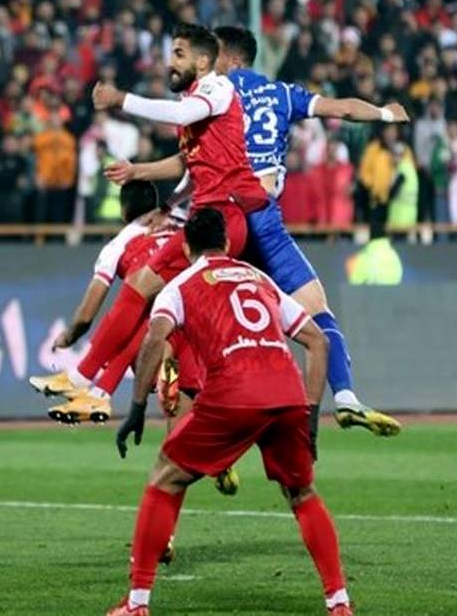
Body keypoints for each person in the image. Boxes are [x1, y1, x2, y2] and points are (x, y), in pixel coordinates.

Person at [106, 209, 351, 616]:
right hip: (287, 391)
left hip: (235, 390)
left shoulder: (180, 285)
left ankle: (136, 603)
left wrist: (136, 407)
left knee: (165, 477)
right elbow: (318, 342)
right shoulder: (259, 278)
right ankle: (339, 602)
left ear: (186, 247)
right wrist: (310, 416)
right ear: (226, 242)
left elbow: (154, 339)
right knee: (301, 493)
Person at [181, 25, 401, 434]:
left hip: (225, 220)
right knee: (317, 310)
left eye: (213, 53)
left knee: (191, 313)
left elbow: (187, 160)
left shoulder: (212, 94)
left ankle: (201, 419)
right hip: (265, 217)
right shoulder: (282, 94)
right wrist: (386, 113)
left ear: (230, 59)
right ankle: (345, 397)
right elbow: (343, 110)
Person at [88, 23, 269, 395]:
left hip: (223, 218)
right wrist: (168, 203)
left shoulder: (217, 89)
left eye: (179, 54)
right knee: (160, 305)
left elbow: (180, 116)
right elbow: (193, 166)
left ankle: (97, 387)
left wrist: (122, 99)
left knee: (155, 300)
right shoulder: (196, 103)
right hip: (205, 215)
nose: (170, 63)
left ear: (203, 61)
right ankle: (100, 387)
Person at [28, 181, 178, 424]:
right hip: (200, 299)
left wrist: (69, 336)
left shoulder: (118, 245)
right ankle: (100, 393)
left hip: (169, 314)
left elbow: (87, 314)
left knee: (139, 322)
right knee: (148, 319)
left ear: (123, 211)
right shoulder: (178, 222)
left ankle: (84, 379)